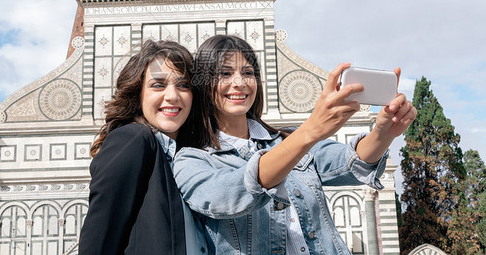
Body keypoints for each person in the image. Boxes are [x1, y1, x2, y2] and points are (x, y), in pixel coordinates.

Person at [173, 35, 417, 254]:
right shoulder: (191, 160)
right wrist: (310, 130)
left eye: (248, 73)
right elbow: (231, 194)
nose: (240, 82)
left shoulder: (287, 139)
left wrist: (384, 132)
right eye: (225, 74)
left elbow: (351, 162)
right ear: (203, 84)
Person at [79, 39, 208, 255]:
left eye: (183, 85)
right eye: (158, 84)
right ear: (137, 93)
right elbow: (98, 242)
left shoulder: (186, 157)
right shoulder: (133, 139)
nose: (173, 96)